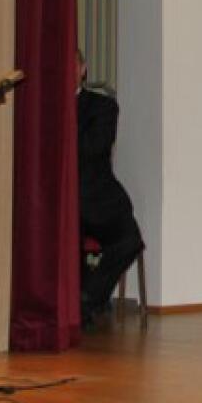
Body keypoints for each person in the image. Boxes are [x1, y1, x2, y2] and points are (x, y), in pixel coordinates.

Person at [77, 51, 144, 327]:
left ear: (83, 69)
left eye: (73, 65)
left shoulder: (102, 106)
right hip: (60, 201)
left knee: (129, 240)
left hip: (98, 197)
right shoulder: (42, 108)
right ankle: (77, 302)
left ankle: (87, 298)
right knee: (66, 239)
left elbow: (93, 148)